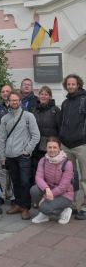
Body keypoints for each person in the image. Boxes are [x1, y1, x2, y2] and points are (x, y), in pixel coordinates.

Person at [0, 90, 40, 220]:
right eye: (12, 100)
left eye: (16, 100)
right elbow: (2, 139)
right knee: (15, 182)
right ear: (8, 102)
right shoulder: (5, 118)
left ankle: (26, 208)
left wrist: (27, 150)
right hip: (10, 156)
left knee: (25, 182)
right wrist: (3, 155)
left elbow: (36, 136)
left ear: (20, 101)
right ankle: (18, 204)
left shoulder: (28, 116)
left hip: (23, 156)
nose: (14, 102)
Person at [59, 74, 86, 220]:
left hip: (81, 145)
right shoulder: (65, 103)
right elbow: (62, 122)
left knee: (85, 177)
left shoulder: (84, 99)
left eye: (73, 84)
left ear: (78, 84)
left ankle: (83, 207)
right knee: (70, 177)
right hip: (66, 145)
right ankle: (74, 205)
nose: (70, 86)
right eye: (68, 84)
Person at [30, 137, 74, 224]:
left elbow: (63, 187)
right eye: (49, 147)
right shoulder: (43, 160)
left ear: (59, 148)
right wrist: (46, 189)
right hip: (49, 191)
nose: (52, 150)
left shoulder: (67, 163)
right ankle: (45, 214)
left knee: (44, 207)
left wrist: (45, 197)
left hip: (64, 195)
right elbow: (38, 177)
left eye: (55, 147)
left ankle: (65, 211)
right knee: (34, 190)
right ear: (46, 148)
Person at [32, 86, 60, 176]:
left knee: (49, 171)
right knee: (37, 170)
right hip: (36, 146)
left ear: (50, 97)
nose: (43, 96)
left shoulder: (55, 110)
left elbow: (60, 127)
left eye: (46, 94)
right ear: (38, 96)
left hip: (49, 146)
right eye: (41, 94)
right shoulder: (34, 110)